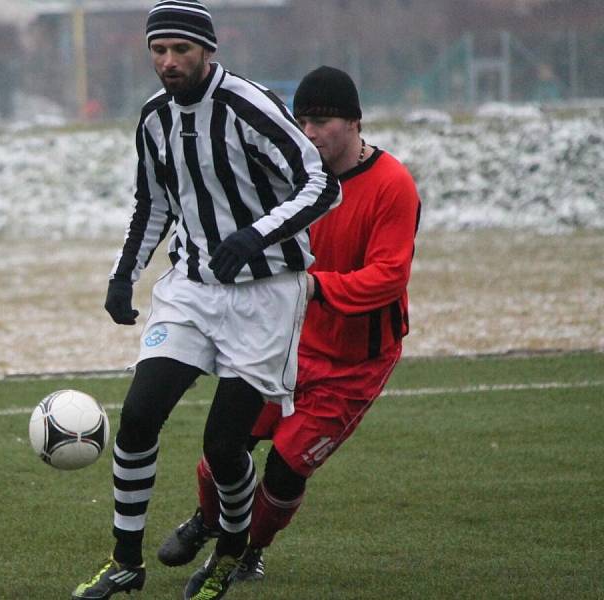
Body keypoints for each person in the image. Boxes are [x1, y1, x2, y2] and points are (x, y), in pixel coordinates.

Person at [71, 4, 341, 600]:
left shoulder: (248, 105)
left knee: (224, 445)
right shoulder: (153, 118)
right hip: (191, 290)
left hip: (267, 293)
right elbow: (153, 204)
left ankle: (228, 553)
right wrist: (124, 277)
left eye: (181, 51)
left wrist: (253, 236)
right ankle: (125, 563)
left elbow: (322, 183)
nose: (169, 62)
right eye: (159, 51)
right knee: (138, 417)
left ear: (208, 51)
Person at [157, 65, 422, 586]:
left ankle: (250, 550)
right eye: (302, 120)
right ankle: (207, 520)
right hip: (286, 343)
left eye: (322, 121)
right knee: (224, 447)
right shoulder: (292, 177)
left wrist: (317, 287)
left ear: (355, 122)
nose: (309, 132)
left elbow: (389, 277)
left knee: (284, 468)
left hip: (354, 361)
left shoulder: (393, 185)